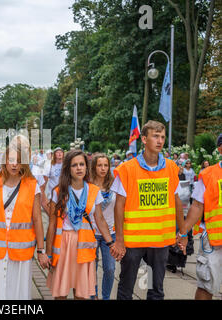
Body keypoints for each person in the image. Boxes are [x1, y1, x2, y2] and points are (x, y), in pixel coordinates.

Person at [111, 120, 186, 300]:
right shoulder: (127, 169)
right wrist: (119, 240)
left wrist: (182, 232)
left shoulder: (171, 168)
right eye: (155, 136)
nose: (160, 141)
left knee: (155, 289)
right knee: (126, 288)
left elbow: (177, 202)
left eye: (162, 137)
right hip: (133, 241)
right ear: (144, 139)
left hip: (159, 241)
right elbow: (118, 206)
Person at [0, 144, 49, 300]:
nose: (15, 164)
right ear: (5, 161)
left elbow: (37, 219)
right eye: (11, 160)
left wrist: (41, 251)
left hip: (20, 249)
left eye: (19, 160)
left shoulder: (31, 185)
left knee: (17, 292)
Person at [45, 149, 117, 300]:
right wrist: (47, 252)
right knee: (61, 292)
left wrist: (111, 243)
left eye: (82, 164)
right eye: (74, 165)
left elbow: (100, 219)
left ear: (86, 167)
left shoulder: (94, 191)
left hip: (84, 244)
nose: (79, 168)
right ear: (68, 169)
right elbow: (51, 224)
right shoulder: (58, 192)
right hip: (64, 243)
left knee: (81, 293)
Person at [178, 133, 222, 300]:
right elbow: (197, 206)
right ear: (220, 149)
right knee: (206, 287)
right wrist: (183, 233)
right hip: (213, 240)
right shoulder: (209, 174)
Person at [89, 153, 116, 300]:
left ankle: (105, 297)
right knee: (91, 269)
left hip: (110, 233)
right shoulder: (88, 185)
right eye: (100, 165)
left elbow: (119, 208)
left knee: (110, 269)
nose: (103, 168)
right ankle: (94, 296)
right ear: (94, 167)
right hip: (91, 232)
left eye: (106, 165)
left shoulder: (115, 184)